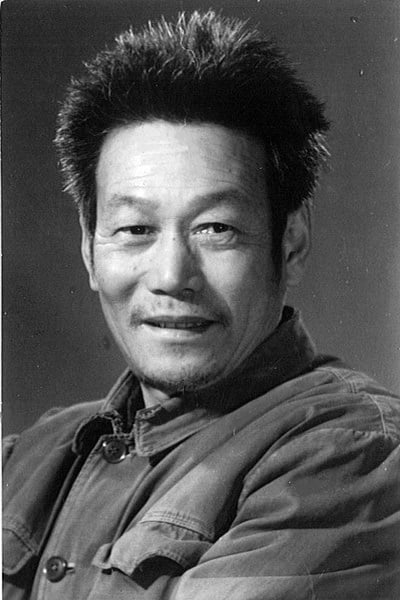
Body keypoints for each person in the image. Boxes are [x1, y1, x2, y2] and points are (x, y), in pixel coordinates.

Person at [3, 10, 400, 600]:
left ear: (290, 245)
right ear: (89, 251)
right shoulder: (27, 457)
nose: (171, 276)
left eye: (216, 229)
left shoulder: (352, 453)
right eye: (135, 230)